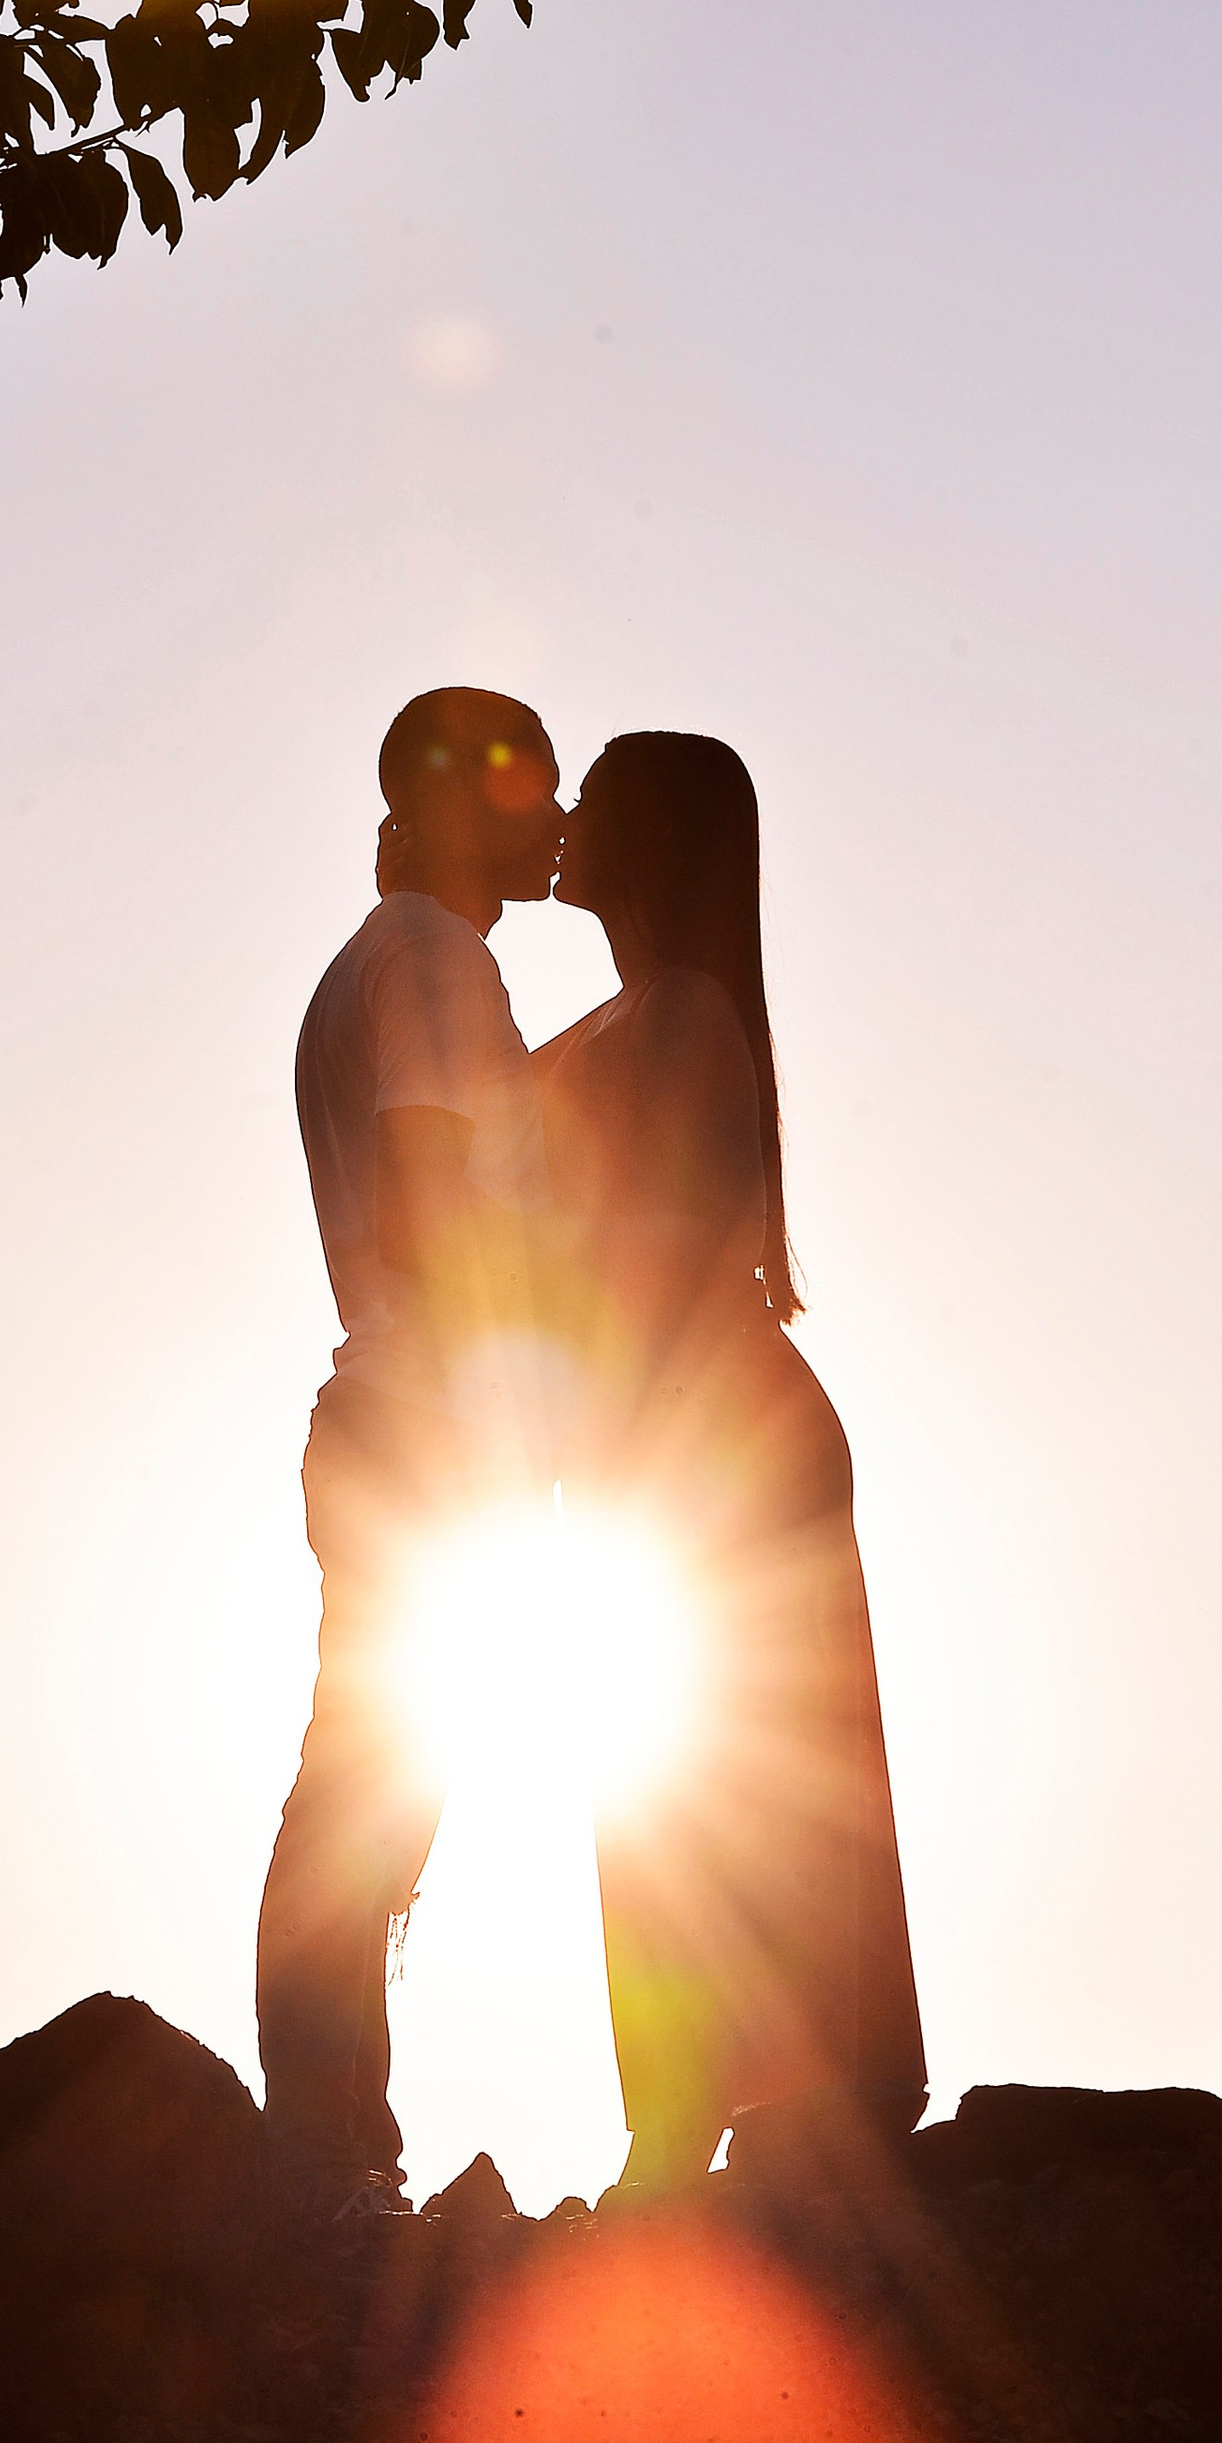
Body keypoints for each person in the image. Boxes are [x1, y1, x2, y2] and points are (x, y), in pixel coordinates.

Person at [536, 730, 928, 2187]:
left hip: (717, 1430)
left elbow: (651, 1245)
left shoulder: (681, 1020)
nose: (566, 819)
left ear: (657, 843)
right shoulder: (641, 1016)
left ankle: (754, 2096)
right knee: (672, 1763)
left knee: (728, 1765)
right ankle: (693, 2102)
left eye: (599, 801)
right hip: (666, 1428)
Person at [255, 683, 564, 2224]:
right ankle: (324, 2149)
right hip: (423, 1419)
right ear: (455, 804)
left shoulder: (374, 964)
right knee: (368, 1788)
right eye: (531, 788)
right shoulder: (438, 962)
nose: (557, 815)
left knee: (373, 1778)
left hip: (382, 1411)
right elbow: (441, 1191)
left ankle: (328, 2137)